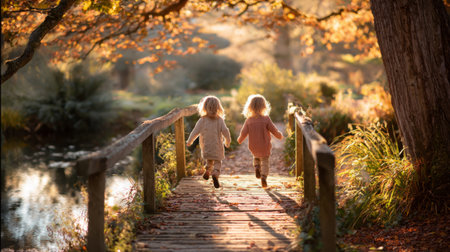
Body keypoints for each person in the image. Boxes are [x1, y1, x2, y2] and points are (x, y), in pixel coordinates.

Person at [237, 94, 283, 188]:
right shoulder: (266, 119)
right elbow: (273, 130)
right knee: (265, 161)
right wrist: (279, 136)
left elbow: (243, 133)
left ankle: (257, 167)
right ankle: (263, 176)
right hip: (264, 145)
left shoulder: (248, 120)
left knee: (256, 157)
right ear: (264, 106)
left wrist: (240, 140)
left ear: (250, 107)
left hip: (254, 146)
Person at [187, 96, 231, 188]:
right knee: (217, 162)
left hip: (207, 148)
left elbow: (195, 131)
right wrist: (227, 141)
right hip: (217, 147)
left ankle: (207, 171)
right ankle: (215, 173)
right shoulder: (220, 120)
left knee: (209, 161)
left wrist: (190, 141)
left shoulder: (202, 120)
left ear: (204, 107)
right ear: (218, 108)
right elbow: (225, 131)